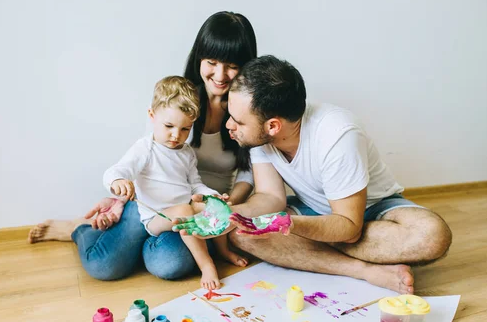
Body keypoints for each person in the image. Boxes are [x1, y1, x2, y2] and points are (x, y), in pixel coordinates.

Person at [175, 55, 453, 294]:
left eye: (237, 121)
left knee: (431, 235)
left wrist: (292, 227)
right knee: (242, 233)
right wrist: (232, 215)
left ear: (273, 126)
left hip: (371, 210)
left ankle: (325, 253)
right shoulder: (258, 136)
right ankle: (362, 269)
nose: (229, 126)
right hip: (315, 212)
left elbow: (348, 227)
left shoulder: (337, 134)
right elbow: (270, 197)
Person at [28, 11, 257, 281]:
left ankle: (140, 245)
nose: (220, 75)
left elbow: (245, 172)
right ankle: (80, 229)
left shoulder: (248, 110)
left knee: (171, 263)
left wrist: (222, 205)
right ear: (199, 60)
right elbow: (144, 157)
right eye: (212, 62)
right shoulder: (177, 101)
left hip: (193, 210)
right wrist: (120, 196)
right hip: (150, 205)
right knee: (105, 266)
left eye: (231, 65)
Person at [104, 76, 229, 290]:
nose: (175, 135)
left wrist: (212, 195)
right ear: (152, 116)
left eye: (184, 129)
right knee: (185, 210)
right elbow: (116, 170)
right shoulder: (145, 148)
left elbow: (195, 184)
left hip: (183, 212)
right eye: (169, 126)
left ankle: (226, 251)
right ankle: (207, 265)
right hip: (156, 217)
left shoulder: (187, 153)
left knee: (215, 207)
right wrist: (118, 180)